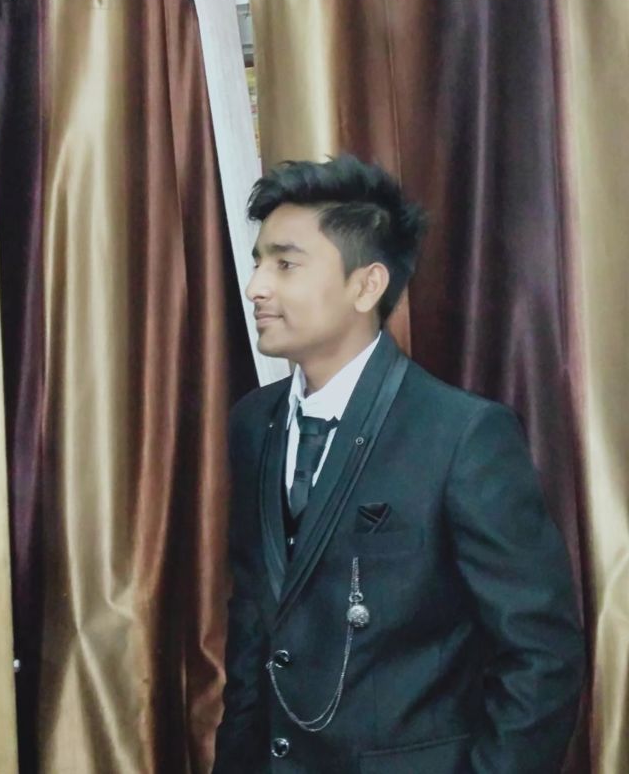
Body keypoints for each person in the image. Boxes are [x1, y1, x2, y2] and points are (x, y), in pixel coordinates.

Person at [213, 154, 584, 773]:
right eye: (258, 263)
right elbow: (252, 625)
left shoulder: (462, 435)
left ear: (367, 285)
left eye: (285, 264)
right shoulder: (253, 422)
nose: (256, 287)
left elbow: (541, 654)